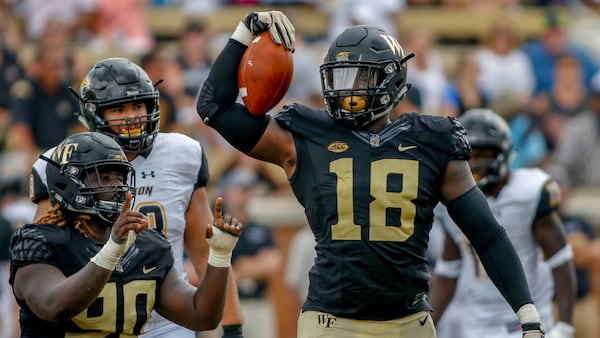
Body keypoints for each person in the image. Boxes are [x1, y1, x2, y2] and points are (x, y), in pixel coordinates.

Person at [196, 10, 546, 337]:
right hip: (330, 321)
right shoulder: (305, 136)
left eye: (359, 76)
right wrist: (244, 34)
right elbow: (214, 107)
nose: (346, 88)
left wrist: (527, 313)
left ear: (392, 80)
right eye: (339, 76)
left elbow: (485, 234)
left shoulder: (432, 140)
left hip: (408, 322)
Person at [29, 58, 246, 338]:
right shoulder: (62, 163)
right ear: (94, 113)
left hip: (167, 320)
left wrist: (233, 327)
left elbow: (204, 253)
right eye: (118, 108)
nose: (132, 117)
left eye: (137, 105)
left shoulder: (182, 155)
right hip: (93, 322)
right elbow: (43, 257)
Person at [10, 131, 244, 337]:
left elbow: (201, 315)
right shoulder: (38, 241)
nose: (118, 186)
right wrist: (112, 249)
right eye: (104, 177)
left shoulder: (147, 244)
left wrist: (220, 256)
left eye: (120, 177)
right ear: (69, 181)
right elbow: (55, 307)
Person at [428, 108, 576, 338]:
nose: (474, 164)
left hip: (530, 320)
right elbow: (448, 272)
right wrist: (426, 326)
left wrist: (565, 325)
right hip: (478, 323)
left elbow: (560, 258)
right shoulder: (449, 202)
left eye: (482, 154)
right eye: (469, 156)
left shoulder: (529, 192)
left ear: (503, 152)